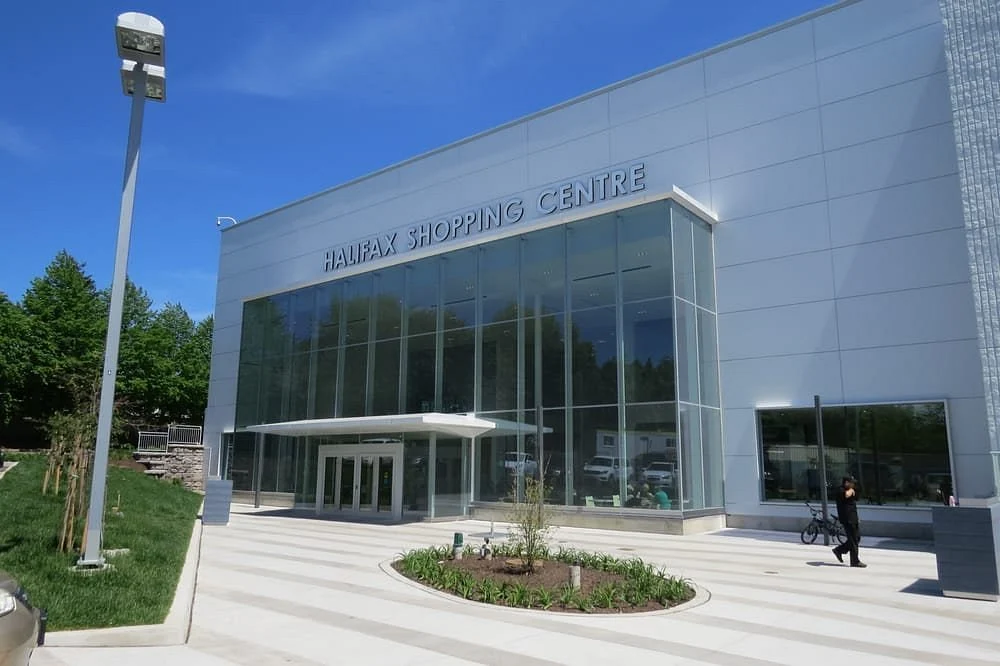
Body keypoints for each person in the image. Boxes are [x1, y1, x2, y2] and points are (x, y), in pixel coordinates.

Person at [832, 476, 866, 568]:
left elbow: (856, 498)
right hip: (847, 519)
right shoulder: (840, 490)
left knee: (857, 538)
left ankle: (839, 550)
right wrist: (851, 490)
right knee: (853, 539)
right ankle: (855, 561)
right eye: (851, 483)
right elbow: (846, 495)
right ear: (846, 482)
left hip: (853, 517)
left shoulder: (851, 490)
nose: (853, 484)